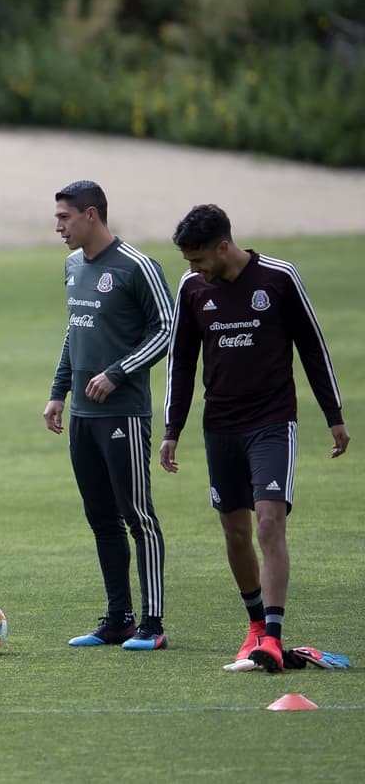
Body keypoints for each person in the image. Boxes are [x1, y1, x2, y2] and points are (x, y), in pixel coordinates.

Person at [159, 204, 349, 672]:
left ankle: (275, 635)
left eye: (199, 258)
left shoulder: (278, 279)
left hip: (272, 421)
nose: (193, 268)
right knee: (235, 530)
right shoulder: (191, 289)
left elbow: (313, 347)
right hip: (219, 425)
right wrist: (171, 430)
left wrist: (334, 416)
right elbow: (181, 362)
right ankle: (256, 628)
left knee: (268, 523)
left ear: (224, 246)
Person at [43, 180, 174, 651]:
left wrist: (118, 373)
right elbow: (74, 330)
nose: (58, 226)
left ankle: (153, 624)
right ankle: (118, 618)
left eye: (65, 217)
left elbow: (167, 329)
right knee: (100, 516)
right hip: (82, 415)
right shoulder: (73, 265)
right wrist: (59, 391)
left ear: (91, 214)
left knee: (137, 515)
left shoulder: (137, 266)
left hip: (124, 414)